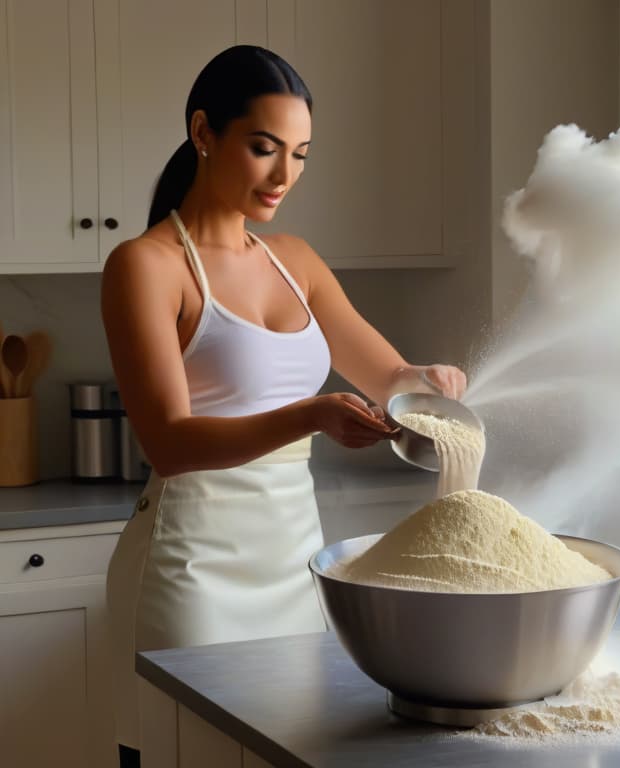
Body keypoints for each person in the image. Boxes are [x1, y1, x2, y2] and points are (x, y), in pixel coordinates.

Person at [101, 45, 466, 767]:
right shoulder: (145, 267)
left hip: (293, 562)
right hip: (191, 570)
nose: (284, 175)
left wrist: (428, 378)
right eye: (264, 148)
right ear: (204, 132)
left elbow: (387, 371)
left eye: (300, 155)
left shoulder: (293, 259)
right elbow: (168, 444)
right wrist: (310, 415)